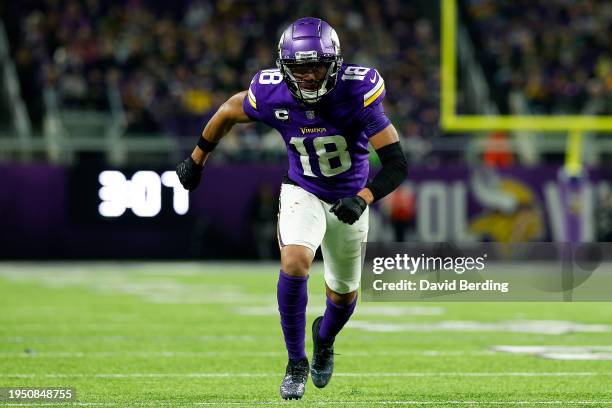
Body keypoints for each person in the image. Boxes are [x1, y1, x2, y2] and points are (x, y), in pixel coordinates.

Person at [176, 17, 407, 400]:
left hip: (350, 198)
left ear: (335, 63)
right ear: (285, 67)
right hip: (303, 189)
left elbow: (397, 163)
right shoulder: (271, 93)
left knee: (344, 296)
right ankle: (295, 362)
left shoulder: (357, 91)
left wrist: (362, 197)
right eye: (300, 67)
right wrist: (197, 159)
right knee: (295, 261)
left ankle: (324, 340)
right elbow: (229, 110)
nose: (309, 75)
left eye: (316, 65)